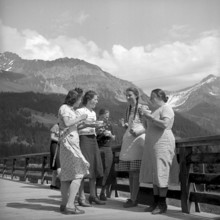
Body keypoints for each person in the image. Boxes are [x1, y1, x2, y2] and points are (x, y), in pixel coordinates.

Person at [139, 88, 177, 215]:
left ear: (158, 97)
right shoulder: (156, 110)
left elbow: (165, 124)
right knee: (155, 174)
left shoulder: (166, 108)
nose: (150, 99)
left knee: (162, 172)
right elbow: (147, 127)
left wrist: (150, 117)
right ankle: (155, 202)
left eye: (152, 96)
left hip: (163, 144)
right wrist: (144, 117)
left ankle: (162, 204)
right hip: (153, 145)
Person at [58, 88, 90, 214]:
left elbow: (73, 125)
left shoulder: (71, 110)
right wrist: (80, 117)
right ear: (75, 99)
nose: (80, 101)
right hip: (69, 144)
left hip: (69, 144)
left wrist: (87, 124)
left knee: (66, 176)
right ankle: (70, 205)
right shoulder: (65, 108)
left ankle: (64, 204)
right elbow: (66, 123)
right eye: (80, 99)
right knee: (79, 173)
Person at [118, 87, 147, 208]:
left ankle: (134, 199)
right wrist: (125, 126)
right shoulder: (128, 109)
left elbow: (147, 125)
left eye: (130, 95)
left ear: (136, 95)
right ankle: (132, 198)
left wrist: (138, 132)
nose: (128, 97)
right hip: (129, 141)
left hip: (138, 142)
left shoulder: (142, 108)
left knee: (135, 172)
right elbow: (132, 125)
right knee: (131, 172)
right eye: (126, 95)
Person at [76, 90, 105, 206]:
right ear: (88, 99)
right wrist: (91, 125)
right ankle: (81, 197)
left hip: (93, 140)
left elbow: (92, 127)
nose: (97, 101)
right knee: (84, 167)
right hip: (83, 139)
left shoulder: (93, 112)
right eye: (95, 99)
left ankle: (93, 196)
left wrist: (98, 128)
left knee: (93, 167)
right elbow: (76, 126)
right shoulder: (80, 111)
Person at [96, 109, 116, 201]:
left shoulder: (109, 125)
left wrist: (111, 135)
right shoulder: (95, 124)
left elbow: (114, 138)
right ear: (99, 116)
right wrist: (99, 132)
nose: (106, 119)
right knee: (97, 169)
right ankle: (94, 192)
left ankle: (102, 192)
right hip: (98, 148)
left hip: (108, 148)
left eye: (107, 117)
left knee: (107, 170)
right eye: (104, 117)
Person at [49, 123, 61, 189]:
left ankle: (53, 184)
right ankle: (64, 185)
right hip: (55, 146)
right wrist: (61, 140)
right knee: (58, 165)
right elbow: (52, 137)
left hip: (61, 147)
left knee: (56, 167)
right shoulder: (56, 126)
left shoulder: (65, 127)